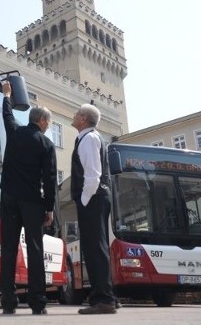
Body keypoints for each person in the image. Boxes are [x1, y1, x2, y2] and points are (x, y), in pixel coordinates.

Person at [0, 80, 57, 315]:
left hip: (9, 198)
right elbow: (50, 178)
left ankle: (8, 302)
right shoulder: (46, 144)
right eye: (49, 122)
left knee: (9, 249)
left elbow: (7, 115)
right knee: (34, 249)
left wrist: (6, 95)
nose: (48, 125)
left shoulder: (14, 132)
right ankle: (37, 302)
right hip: (32, 201)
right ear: (42, 121)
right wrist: (49, 208)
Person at [71, 103, 118, 314]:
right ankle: (107, 296)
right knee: (97, 247)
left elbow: (92, 175)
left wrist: (83, 199)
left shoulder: (88, 139)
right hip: (98, 197)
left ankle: (104, 299)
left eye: (76, 113)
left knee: (94, 248)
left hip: (93, 197)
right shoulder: (91, 138)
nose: (73, 116)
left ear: (83, 118)